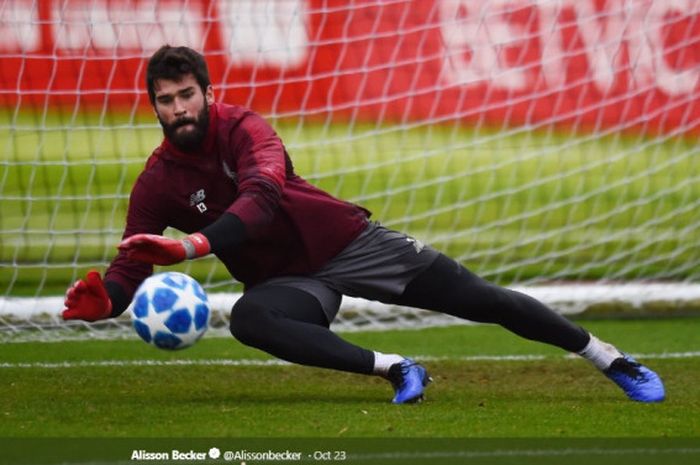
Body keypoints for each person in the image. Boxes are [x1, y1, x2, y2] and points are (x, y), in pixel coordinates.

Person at [62, 45, 665, 404]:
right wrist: (107, 300)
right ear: (154, 107)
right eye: (165, 101)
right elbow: (130, 266)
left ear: (208, 93)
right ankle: (396, 367)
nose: (178, 109)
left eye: (187, 95)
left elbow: (262, 197)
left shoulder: (246, 128)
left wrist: (193, 244)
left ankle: (608, 358)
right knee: (250, 318)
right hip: (290, 280)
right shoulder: (157, 179)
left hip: (348, 242)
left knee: (482, 300)